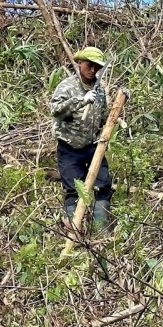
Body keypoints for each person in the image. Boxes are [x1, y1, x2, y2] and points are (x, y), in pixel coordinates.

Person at [49, 46, 114, 230]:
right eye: (89, 65)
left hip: (92, 146)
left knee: (103, 185)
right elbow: (55, 110)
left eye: (97, 67)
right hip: (69, 148)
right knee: (73, 189)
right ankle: (76, 231)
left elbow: (102, 117)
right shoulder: (67, 86)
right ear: (80, 63)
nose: (92, 70)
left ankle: (101, 230)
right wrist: (80, 101)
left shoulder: (99, 90)